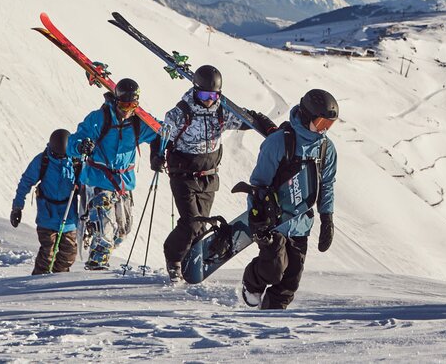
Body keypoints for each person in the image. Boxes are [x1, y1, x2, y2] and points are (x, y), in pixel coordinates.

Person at [152, 64, 278, 281]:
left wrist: (272, 131)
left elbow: (250, 118)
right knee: (191, 222)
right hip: (183, 175)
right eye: (204, 94)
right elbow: (161, 136)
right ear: (195, 90)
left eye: (214, 94)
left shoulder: (222, 112)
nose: (209, 99)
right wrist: (157, 155)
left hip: (209, 176)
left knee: (201, 225)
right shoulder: (180, 113)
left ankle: (190, 262)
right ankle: (173, 258)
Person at [240, 89, 339, 310]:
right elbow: (258, 183)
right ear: (306, 116)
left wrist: (327, 219)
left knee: (290, 282)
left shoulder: (326, 149)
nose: (324, 130)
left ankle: (271, 320)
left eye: (329, 126)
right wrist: (257, 217)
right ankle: (251, 283)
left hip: (301, 223)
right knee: (274, 268)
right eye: (321, 123)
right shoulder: (279, 142)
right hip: (274, 221)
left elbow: (326, 185)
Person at [66, 78, 160, 270]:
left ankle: (97, 242)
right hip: (99, 179)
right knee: (105, 230)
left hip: (123, 183)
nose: (128, 109)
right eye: (124, 104)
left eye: (133, 105)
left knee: (123, 230)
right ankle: (96, 265)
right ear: (116, 101)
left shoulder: (137, 123)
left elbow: (159, 132)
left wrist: (160, 153)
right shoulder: (99, 118)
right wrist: (81, 146)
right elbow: (73, 142)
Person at [10, 129, 81, 274]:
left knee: (69, 254)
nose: (61, 157)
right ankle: (37, 281)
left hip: (68, 215)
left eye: (64, 155)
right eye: (57, 154)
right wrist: (17, 207)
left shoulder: (75, 161)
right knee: (47, 254)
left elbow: (87, 182)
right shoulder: (43, 161)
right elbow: (26, 182)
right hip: (47, 215)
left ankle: (57, 280)